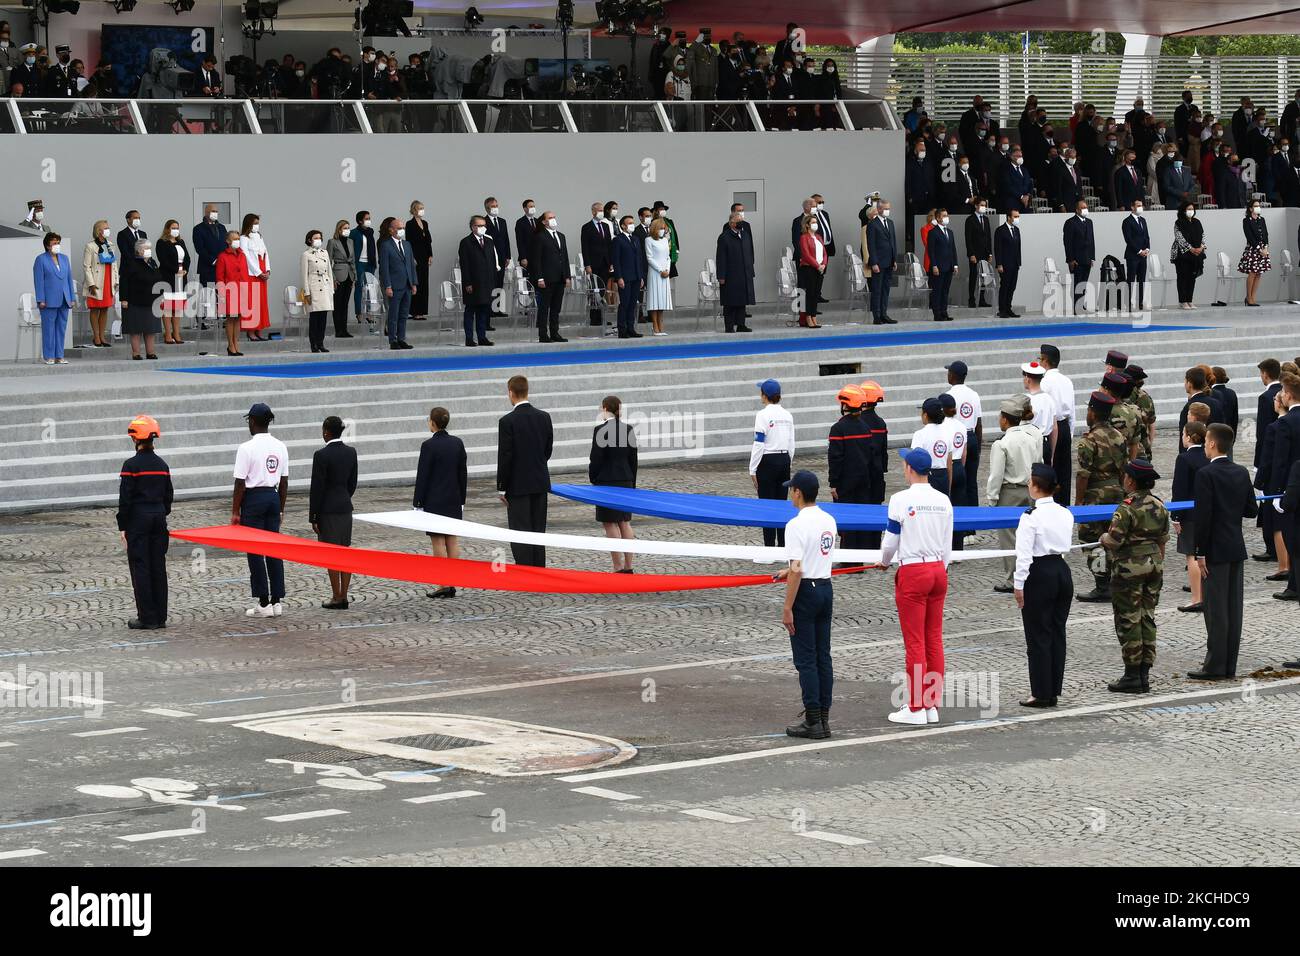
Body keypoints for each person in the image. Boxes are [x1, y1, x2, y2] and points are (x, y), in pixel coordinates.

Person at [880, 447, 954, 725]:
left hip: (914, 569)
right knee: (933, 638)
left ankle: (914, 706)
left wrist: (884, 561)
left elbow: (890, 541)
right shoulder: (943, 500)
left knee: (915, 641)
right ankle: (931, 703)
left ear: (910, 468)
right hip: (937, 568)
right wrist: (941, 566)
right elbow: (947, 543)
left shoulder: (900, 499)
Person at [1189, 424, 1258, 679]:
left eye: (1207, 440)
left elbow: (1203, 517)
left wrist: (1200, 552)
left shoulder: (1206, 474)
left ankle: (1215, 665)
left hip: (1215, 550)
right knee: (1233, 609)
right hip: (1235, 545)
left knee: (1216, 610)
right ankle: (1230, 664)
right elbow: (1252, 510)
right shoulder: (1240, 472)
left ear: (1212, 444)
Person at [773, 470, 837, 739]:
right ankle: (823, 717)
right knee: (823, 656)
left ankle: (812, 719)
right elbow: (815, 557)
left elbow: (798, 567)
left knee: (806, 660)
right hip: (825, 586)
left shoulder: (796, 525)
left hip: (806, 593)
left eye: (792, 489)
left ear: (798, 492)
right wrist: (789, 570)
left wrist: (788, 606)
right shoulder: (829, 520)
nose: (790, 493)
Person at [1099, 459, 1169, 692]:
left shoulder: (1126, 508)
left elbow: (1114, 541)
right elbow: (1162, 541)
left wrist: (1102, 538)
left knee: (1128, 619)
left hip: (1129, 567)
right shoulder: (1159, 505)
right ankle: (1144, 673)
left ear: (1130, 480)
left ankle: (1131, 674)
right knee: (1147, 617)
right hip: (1154, 564)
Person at [1013, 462, 1073, 706]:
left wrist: (1018, 585)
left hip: (1039, 572)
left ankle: (1040, 691)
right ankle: (1053, 688)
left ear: (1036, 487)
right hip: (1061, 569)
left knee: (1038, 635)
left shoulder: (1031, 517)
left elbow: (1024, 554)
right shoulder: (1065, 512)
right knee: (1057, 632)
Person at [232, 403, 289, 618]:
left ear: (253, 422)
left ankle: (263, 602)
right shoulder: (280, 446)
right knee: (274, 548)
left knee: (255, 550)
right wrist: (281, 509)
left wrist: (235, 511)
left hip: (254, 499)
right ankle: (276, 601)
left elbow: (240, 484)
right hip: (273, 497)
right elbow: (284, 482)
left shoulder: (246, 448)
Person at [117, 415, 173, 630]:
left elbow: (126, 500)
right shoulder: (162, 465)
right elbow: (169, 495)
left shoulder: (130, 465)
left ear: (135, 439)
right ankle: (160, 617)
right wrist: (160, 513)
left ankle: (147, 617)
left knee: (141, 567)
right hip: (159, 519)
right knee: (158, 566)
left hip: (138, 521)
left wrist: (123, 526)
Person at [1076, 390, 1128, 603]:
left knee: (1091, 540)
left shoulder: (1088, 440)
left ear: (1093, 413)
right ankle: (1115, 579)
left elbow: (1083, 474)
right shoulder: (1119, 435)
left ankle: (1102, 584)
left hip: (1095, 495)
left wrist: (1079, 502)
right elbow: (1124, 468)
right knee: (1113, 535)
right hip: (1116, 492)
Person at [496, 376, 553, 567]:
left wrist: (502, 487)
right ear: (527, 391)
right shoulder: (544, 417)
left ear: (511, 393)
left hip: (517, 484)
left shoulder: (507, 421)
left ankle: (526, 570)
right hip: (539, 481)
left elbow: (505, 456)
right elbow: (548, 450)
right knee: (538, 529)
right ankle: (539, 568)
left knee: (520, 530)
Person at [988, 397, 1042, 593]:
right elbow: (1038, 464)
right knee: (1029, 535)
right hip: (1030, 490)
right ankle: (1031, 574)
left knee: (1009, 537)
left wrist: (992, 498)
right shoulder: (1031, 438)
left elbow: (996, 475)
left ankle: (1012, 578)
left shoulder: (1002, 444)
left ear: (1005, 419)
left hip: (1009, 492)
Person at [414, 406, 468, 599]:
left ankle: (443, 583)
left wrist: (418, 502)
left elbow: (423, 476)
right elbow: (463, 474)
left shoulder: (428, 446)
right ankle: (452, 582)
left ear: (433, 423)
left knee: (438, 541)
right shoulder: (457, 443)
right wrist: (462, 499)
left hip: (434, 500)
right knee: (452, 539)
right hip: (454, 498)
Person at [309, 415, 358, 609]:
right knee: (345, 551)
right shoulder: (351, 452)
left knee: (331, 553)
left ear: (326, 432)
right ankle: (344, 594)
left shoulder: (321, 455)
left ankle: (336, 595)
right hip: (345, 507)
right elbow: (352, 482)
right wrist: (344, 497)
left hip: (327, 510)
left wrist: (313, 516)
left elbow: (317, 488)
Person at [589, 396, 638, 573]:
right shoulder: (628, 429)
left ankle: (618, 566)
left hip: (606, 482)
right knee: (624, 522)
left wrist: (593, 478)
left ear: (604, 409)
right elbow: (633, 459)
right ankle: (629, 566)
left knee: (610, 523)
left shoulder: (600, 430)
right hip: (625, 480)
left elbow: (596, 459)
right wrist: (632, 483)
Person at [826, 384, 876, 555]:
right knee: (860, 519)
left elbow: (835, 458)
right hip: (864, 480)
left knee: (846, 520)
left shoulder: (838, 428)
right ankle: (859, 558)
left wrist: (833, 483)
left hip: (845, 482)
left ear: (845, 405)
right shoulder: (865, 427)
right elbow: (871, 456)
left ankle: (848, 558)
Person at [751, 379, 795, 548]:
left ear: (765, 395)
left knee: (767, 506)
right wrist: (788, 463)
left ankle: (769, 548)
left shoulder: (762, 415)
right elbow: (791, 443)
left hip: (767, 461)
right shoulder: (788, 415)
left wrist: (752, 469)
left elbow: (759, 443)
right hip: (784, 459)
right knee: (782, 505)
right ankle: (784, 546)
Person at [1267, 375, 1300, 601]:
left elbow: (1279, 461)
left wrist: (1276, 492)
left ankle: (1295, 585)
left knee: (1293, 536)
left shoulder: (1286, 423)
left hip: (1292, 485)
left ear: (1288, 395)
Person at [1173, 421, 1209, 613]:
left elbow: (1179, 489)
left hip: (1190, 514)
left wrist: (1175, 516)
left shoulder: (1184, 459)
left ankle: (1196, 597)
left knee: (1192, 556)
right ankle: (1206, 595)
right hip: (1208, 513)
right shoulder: (1208, 456)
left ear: (1189, 437)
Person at [1254, 358, 1284, 562]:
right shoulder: (1285, 391)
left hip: (1270, 456)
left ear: (1265, 373)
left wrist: (1259, 463)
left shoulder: (1266, 397)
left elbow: (1262, 434)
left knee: (1268, 502)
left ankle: (1272, 548)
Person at [1037, 344, 1075, 504]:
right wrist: (1070, 434)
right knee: (1064, 474)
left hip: (1050, 429)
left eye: (1040, 359)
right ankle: (1063, 506)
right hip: (1065, 427)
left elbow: (1042, 408)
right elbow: (1072, 411)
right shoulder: (1067, 381)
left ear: (1045, 361)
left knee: (1047, 473)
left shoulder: (1044, 382)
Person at [945, 361, 983, 510]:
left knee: (956, 481)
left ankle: (958, 515)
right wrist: (978, 447)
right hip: (971, 436)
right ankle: (973, 521)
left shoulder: (948, 396)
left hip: (955, 439)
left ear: (952, 375)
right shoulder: (974, 395)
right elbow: (979, 423)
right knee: (971, 481)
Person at [530, 211, 570, 344]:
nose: (553, 220)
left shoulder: (561, 236)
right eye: (550, 218)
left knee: (556, 308)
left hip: (560, 278)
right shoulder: (540, 237)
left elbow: (564, 257)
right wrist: (539, 277)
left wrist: (567, 276)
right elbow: (536, 260)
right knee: (544, 307)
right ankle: (543, 334)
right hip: (546, 278)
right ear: (544, 221)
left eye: (554, 217)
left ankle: (555, 332)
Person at [457, 215, 496, 348]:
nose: (482, 228)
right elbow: (465, 264)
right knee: (470, 311)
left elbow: (491, 262)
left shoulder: (489, 241)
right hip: (473, 283)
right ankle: (469, 338)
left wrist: (493, 281)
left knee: (484, 311)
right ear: (473, 227)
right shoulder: (466, 242)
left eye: (484, 225)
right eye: (479, 226)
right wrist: (467, 283)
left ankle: (482, 337)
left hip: (487, 282)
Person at [119, 238, 161, 362]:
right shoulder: (131, 263)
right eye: (146, 249)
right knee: (135, 329)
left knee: (150, 328)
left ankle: (150, 352)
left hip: (151, 300)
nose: (148, 251)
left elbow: (159, 277)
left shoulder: (152, 262)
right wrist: (124, 299)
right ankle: (136, 353)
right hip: (134, 300)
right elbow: (124, 281)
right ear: (138, 250)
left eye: (149, 248)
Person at [379, 217, 416, 350]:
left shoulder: (407, 244)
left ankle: (402, 338)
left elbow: (411, 265)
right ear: (391, 230)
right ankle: (392, 339)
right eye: (399, 228)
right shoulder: (386, 245)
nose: (402, 231)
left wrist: (414, 283)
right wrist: (387, 285)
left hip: (407, 284)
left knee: (404, 314)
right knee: (393, 314)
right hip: (394, 285)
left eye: (403, 228)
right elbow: (384, 268)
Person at [715, 211, 755, 333]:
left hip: (744, 272)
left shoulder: (745, 235)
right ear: (731, 223)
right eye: (738, 222)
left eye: (741, 221)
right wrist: (721, 275)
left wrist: (751, 269)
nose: (740, 224)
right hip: (731, 274)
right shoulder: (724, 237)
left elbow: (750, 253)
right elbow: (720, 258)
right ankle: (729, 325)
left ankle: (741, 324)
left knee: (742, 300)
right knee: (730, 301)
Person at [82, 220, 117, 350]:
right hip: (96, 281)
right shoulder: (90, 246)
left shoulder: (111, 245)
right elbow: (87, 266)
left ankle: (102, 336)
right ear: (99, 231)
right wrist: (91, 283)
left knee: (105, 309)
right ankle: (96, 336)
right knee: (95, 309)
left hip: (108, 280)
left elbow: (114, 264)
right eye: (106, 228)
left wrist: (116, 280)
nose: (108, 230)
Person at [216, 231, 251, 357]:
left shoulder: (242, 255)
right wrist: (222, 294)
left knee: (238, 319)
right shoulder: (223, 256)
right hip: (229, 291)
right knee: (231, 319)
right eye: (234, 239)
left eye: (238, 238)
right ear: (228, 241)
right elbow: (220, 277)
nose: (237, 241)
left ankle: (236, 344)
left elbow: (246, 273)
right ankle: (230, 345)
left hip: (241, 290)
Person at [581, 202, 615, 329]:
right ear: (593, 212)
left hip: (605, 263)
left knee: (602, 290)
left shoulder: (606, 226)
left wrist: (611, 262)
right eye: (599, 210)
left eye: (602, 210)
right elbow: (585, 247)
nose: (601, 212)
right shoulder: (587, 227)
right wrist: (587, 264)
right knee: (594, 291)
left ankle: (602, 316)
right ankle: (594, 318)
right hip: (593, 264)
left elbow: (609, 245)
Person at [611, 214, 646, 339]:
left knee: (633, 304)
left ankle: (631, 328)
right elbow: (616, 260)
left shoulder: (635, 239)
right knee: (624, 303)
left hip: (636, 276)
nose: (632, 225)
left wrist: (641, 276)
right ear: (623, 226)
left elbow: (640, 259)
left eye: (632, 222)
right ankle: (622, 329)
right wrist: (619, 277)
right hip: (625, 277)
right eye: (629, 223)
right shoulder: (618, 240)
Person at [155, 219, 189, 346]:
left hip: (181, 277)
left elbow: (187, 258)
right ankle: (168, 333)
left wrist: (185, 269)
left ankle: (177, 333)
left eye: (177, 227)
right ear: (167, 229)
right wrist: (175, 270)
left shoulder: (181, 242)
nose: (176, 230)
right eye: (173, 227)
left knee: (178, 307)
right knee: (168, 307)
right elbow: (163, 260)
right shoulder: (162, 242)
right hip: (168, 276)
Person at [298, 229, 333, 353]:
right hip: (313, 287)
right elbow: (304, 275)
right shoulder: (306, 255)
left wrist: (331, 289)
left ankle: (321, 343)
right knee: (314, 318)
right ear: (309, 240)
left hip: (325, 286)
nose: (318, 240)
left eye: (320, 238)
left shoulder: (325, 253)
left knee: (323, 318)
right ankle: (313, 344)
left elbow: (329, 271)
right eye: (315, 238)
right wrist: (307, 292)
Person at [1170, 201, 1206, 310]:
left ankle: (1190, 300)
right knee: (1182, 278)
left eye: (1192, 209)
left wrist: (1201, 247)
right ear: (1183, 211)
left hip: (1196, 254)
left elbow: (1203, 235)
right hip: (1182, 255)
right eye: (1188, 209)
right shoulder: (1178, 223)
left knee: (1192, 278)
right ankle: (1183, 301)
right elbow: (1179, 238)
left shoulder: (1197, 222)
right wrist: (1191, 249)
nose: (1191, 211)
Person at [240, 213, 271, 340]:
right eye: (254, 223)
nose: (256, 226)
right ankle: (250, 331)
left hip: (262, 272)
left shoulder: (259, 236)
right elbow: (246, 257)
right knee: (252, 302)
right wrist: (258, 272)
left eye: (258, 223)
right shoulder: (243, 238)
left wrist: (268, 269)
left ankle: (259, 329)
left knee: (261, 302)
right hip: (252, 273)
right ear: (248, 224)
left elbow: (266, 253)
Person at [866, 199, 898, 324]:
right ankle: (877, 315)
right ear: (879, 209)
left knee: (886, 289)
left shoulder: (890, 223)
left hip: (889, 261)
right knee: (877, 289)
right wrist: (874, 262)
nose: (887, 211)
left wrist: (894, 259)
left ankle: (884, 313)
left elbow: (893, 242)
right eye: (885, 208)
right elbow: (871, 245)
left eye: (889, 208)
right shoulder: (873, 224)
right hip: (878, 262)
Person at [795, 213, 826, 328]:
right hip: (809, 268)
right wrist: (817, 265)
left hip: (819, 269)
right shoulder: (804, 237)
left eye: (816, 222)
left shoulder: (818, 237)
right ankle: (807, 317)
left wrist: (823, 264)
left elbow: (824, 253)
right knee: (810, 294)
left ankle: (814, 316)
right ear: (807, 225)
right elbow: (806, 255)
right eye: (813, 222)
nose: (815, 224)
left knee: (816, 294)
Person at [1062, 200, 1094, 313]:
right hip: (1076, 259)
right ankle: (1076, 306)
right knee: (1077, 283)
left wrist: (1092, 257)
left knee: (1084, 283)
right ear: (1077, 210)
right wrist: (1070, 259)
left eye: (1086, 207)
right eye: (1082, 207)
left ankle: (1081, 303)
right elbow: (1067, 242)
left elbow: (1092, 241)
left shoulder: (1089, 222)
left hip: (1087, 259)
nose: (1085, 209)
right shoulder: (1070, 223)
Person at [482, 197, 511, 322]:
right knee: (490, 283)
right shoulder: (483, 222)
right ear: (487, 208)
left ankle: (498, 308)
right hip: (490, 257)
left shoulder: (502, 221)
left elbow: (506, 239)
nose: (495, 208)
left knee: (499, 283)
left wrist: (507, 256)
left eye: (496, 205)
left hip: (502, 257)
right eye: (493, 206)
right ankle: (489, 310)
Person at [326, 221, 356, 340]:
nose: (347, 230)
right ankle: (338, 330)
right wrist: (332, 278)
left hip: (349, 274)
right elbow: (328, 261)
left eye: (348, 228)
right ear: (339, 229)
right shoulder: (332, 242)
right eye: (345, 228)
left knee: (345, 303)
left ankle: (344, 329)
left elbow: (352, 260)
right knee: (338, 303)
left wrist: (355, 276)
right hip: (338, 273)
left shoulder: (350, 241)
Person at [193, 204, 227, 302]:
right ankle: (208, 315)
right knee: (208, 297)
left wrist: (223, 261)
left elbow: (226, 245)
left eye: (216, 211)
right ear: (206, 212)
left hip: (222, 268)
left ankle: (221, 315)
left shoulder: (222, 227)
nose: (215, 213)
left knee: (221, 297)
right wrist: (213, 260)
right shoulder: (198, 229)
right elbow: (199, 248)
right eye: (213, 211)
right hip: (207, 268)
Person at [1239, 201, 1270, 306]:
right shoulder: (1246, 220)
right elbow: (1249, 236)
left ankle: (1253, 296)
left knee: (1258, 274)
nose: (1258, 208)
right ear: (1251, 208)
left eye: (1259, 206)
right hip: (1253, 249)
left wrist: (1265, 247)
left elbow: (1265, 234)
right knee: (1252, 273)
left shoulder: (1262, 220)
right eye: (1256, 206)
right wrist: (1259, 249)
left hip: (1263, 249)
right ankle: (1248, 297)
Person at [1121, 200, 1150, 312]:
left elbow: (1147, 236)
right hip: (1133, 255)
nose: (1140, 207)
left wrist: (1147, 249)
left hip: (1143, 255)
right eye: (1138, 206)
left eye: (1141, 206)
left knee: (1142, 279)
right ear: (1132, 207)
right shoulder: (1127, 221)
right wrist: (1138, 251)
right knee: (1131, 279)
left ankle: (1141, 302)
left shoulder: (1143, 220)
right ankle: (1128, 303)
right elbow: (1128, 239)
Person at [405, 200, 432, 321]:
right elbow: (408, 242)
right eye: (420, 208)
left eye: (423, 207)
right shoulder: (409, 224)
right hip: (415, 256)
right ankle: (414, 311)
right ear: (414, 210)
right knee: (416, 282)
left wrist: (430, 255)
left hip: (424, 256)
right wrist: (412, 257)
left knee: (424, 283)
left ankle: (422, 311)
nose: (422, 210)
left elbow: (428, 241)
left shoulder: (425, 223)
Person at [964, 197, 993, 309]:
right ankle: (971, 299)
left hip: (984, 253)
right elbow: (968, 238)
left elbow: (988, 237)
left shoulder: (986, 219)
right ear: (976, 206)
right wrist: (971, 254)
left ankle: (982, 299)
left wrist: (990, 253)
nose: (983, 207)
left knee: (984, 275)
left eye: (984, 205)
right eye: (981, 205)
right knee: (973, 276)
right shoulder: (970, 220)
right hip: (975, 253)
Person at [1124, 364, 1157, 461]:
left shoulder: (1120, 394)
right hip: (1141, 444)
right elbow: (1151, 423)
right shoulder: (1145, 397)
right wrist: (1149, 444)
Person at [993, 209, 1021, 318]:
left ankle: (1008, 308)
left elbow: (1018, 247)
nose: (1017, 219)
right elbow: (998, 248)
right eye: (1015, 216)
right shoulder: (1000, 230)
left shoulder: (1016, 230)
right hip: (1005, 264)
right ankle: (1002, 309)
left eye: (1018, 216)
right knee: (1005, 286)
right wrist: (999, 264)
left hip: (1015, 263)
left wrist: (1019, 262)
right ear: (1009, 217)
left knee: (1012, 287)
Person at [351, 211, 377, 316]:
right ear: (360, 221)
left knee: (370, 288)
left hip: (370, 263)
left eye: (369, 218)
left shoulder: (371, 232)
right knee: (359, 288)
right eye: (366, 219)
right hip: (360, 263)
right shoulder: (354, 233)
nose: (369, 220)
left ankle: (369, 313)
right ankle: (359, 313)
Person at [1211, 367, 1240, 435]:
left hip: (1214, 434)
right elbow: (1235, 418)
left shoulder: (1211, 393)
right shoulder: (1231, 393)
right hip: (1229, 432)